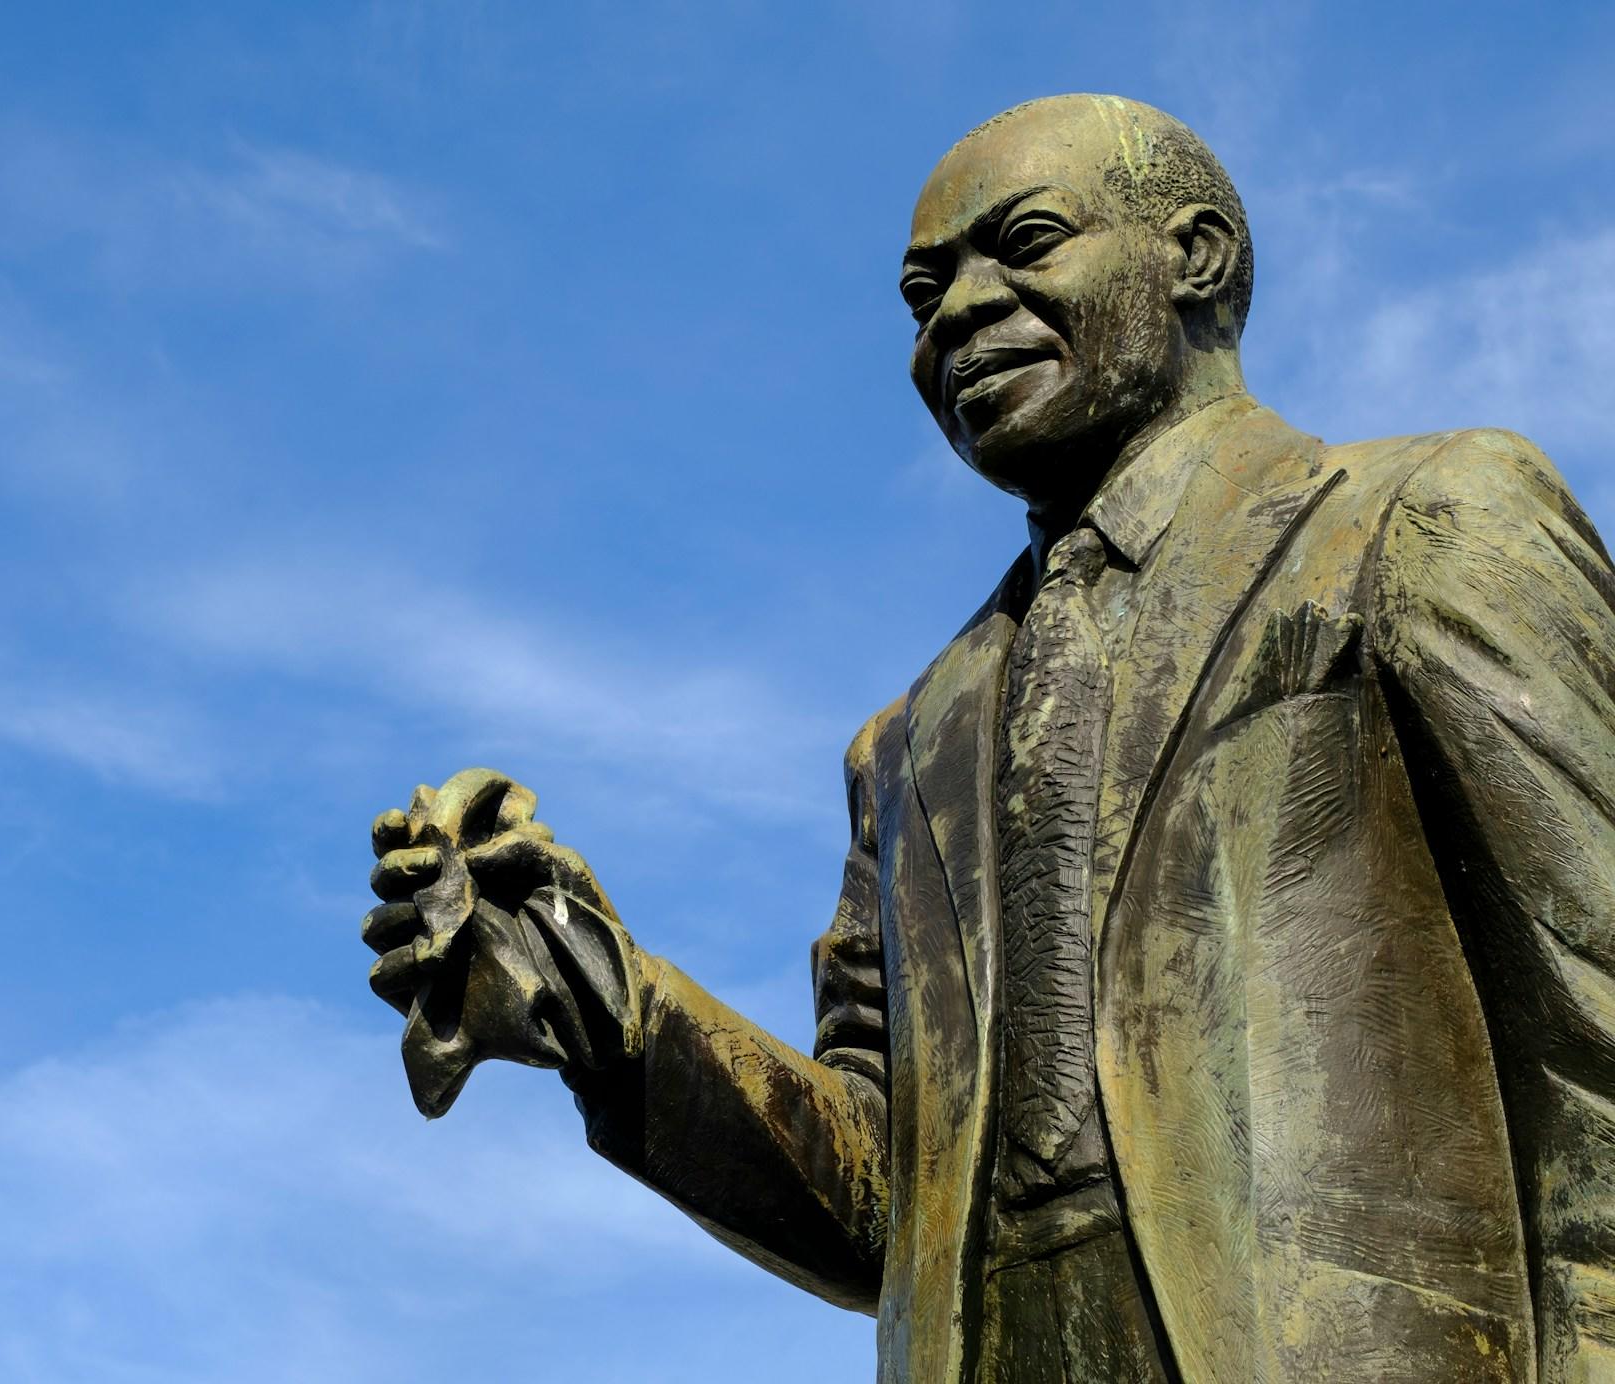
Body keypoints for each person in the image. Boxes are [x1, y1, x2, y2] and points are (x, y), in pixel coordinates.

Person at [363, 93, 1615, 1382]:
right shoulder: (905, 747)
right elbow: (883, 1202)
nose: (958, 311)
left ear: (1197, 257)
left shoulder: (1418, 521)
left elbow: (1600, 1033)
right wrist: (596, 1000)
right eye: (922, 293)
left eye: (1024, 242)